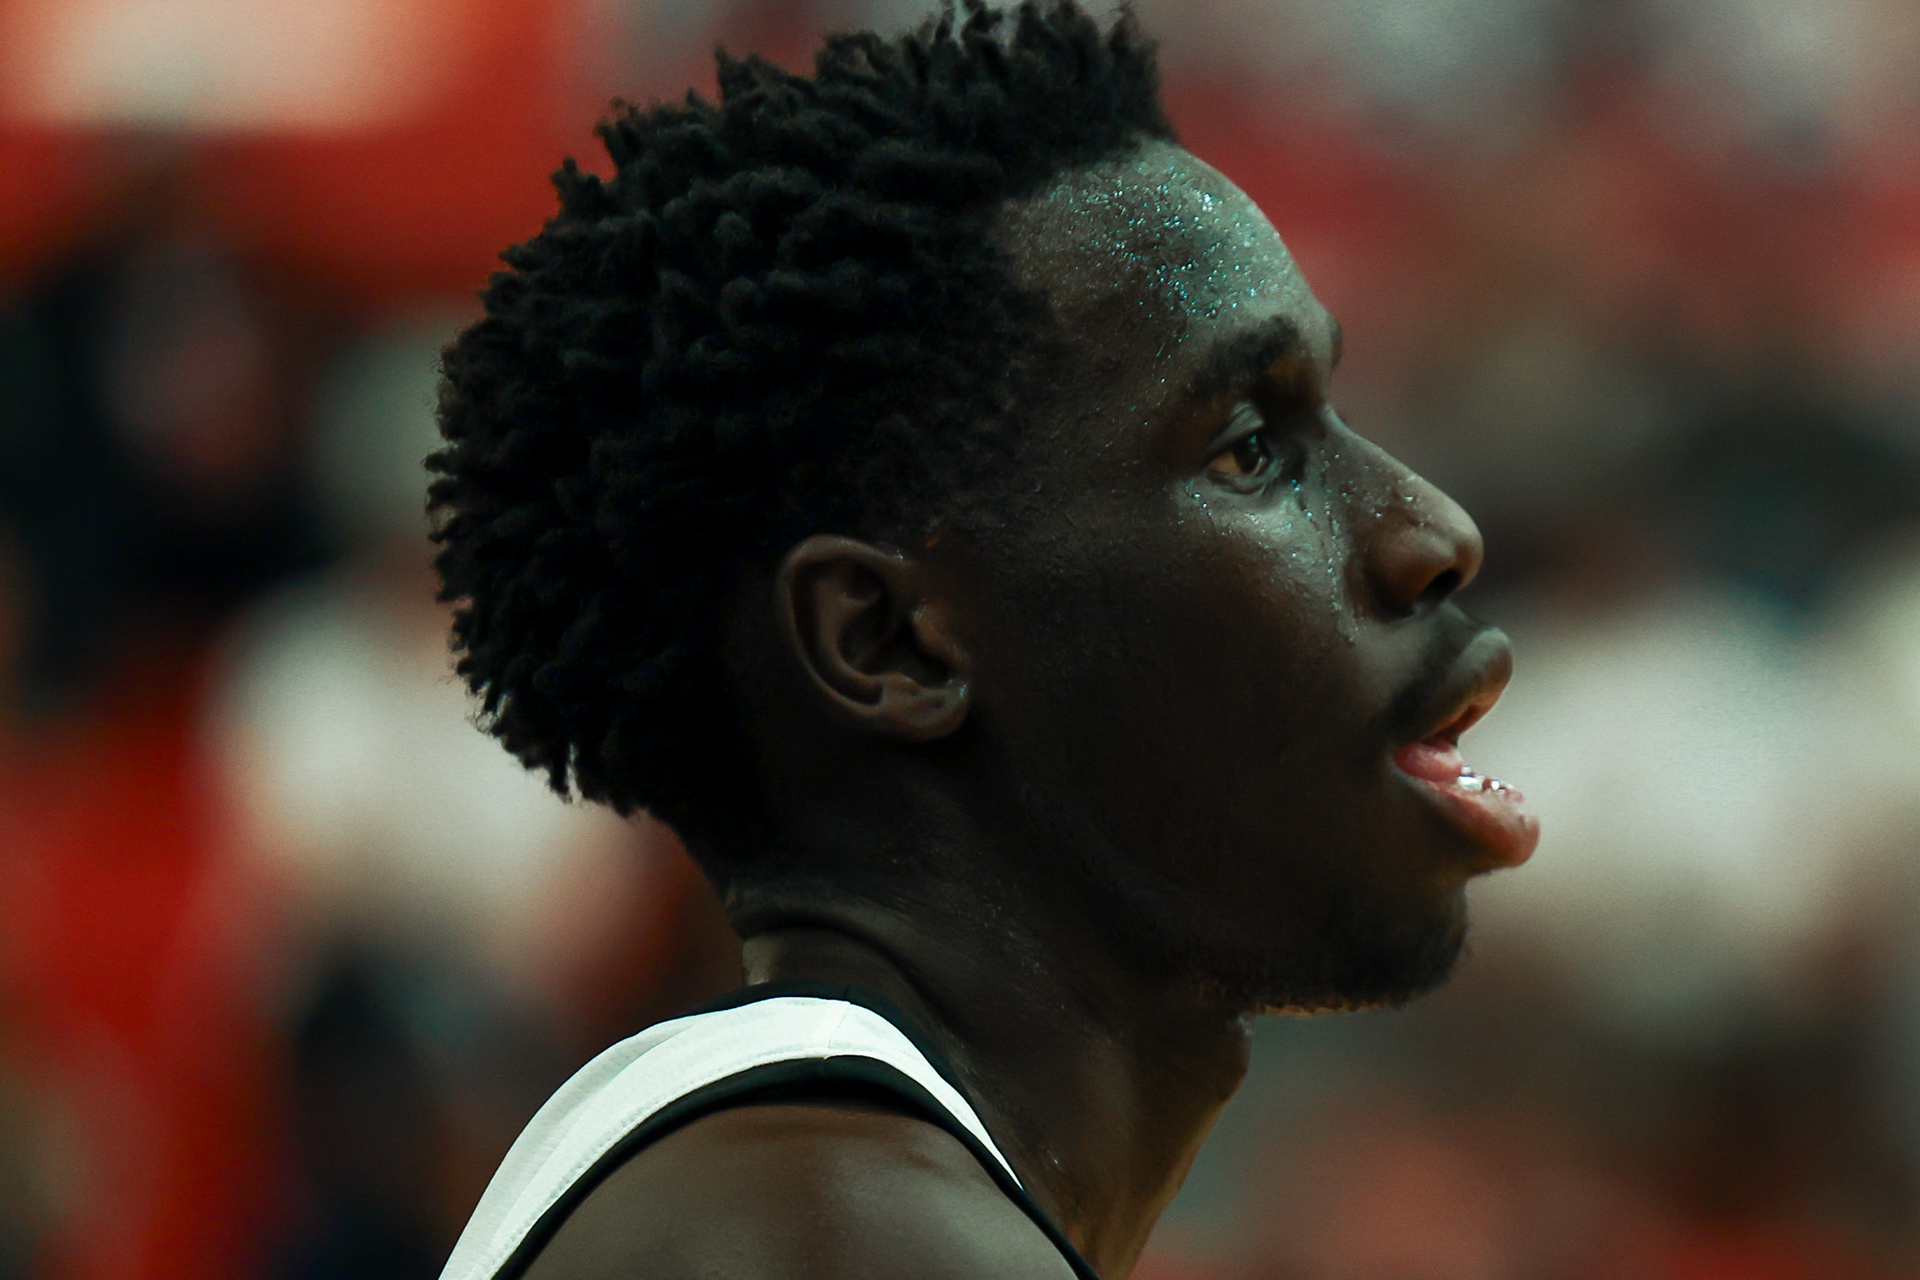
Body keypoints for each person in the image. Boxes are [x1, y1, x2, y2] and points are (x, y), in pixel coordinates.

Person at [427, 3, 1538, 1277]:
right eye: (1250, 449)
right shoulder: (847, 1234)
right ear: (889, 643)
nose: (1432, 529)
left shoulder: (789, 1178)